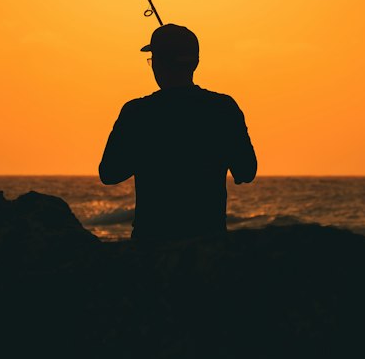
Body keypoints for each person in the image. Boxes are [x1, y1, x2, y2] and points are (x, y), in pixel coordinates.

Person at [98, 23, 257, 243]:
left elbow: (109, 173)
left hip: (151, 243)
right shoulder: (223, 108)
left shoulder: (137, 112)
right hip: (209, 244)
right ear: (195, 63)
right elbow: (246, 171)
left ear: (158, 65)